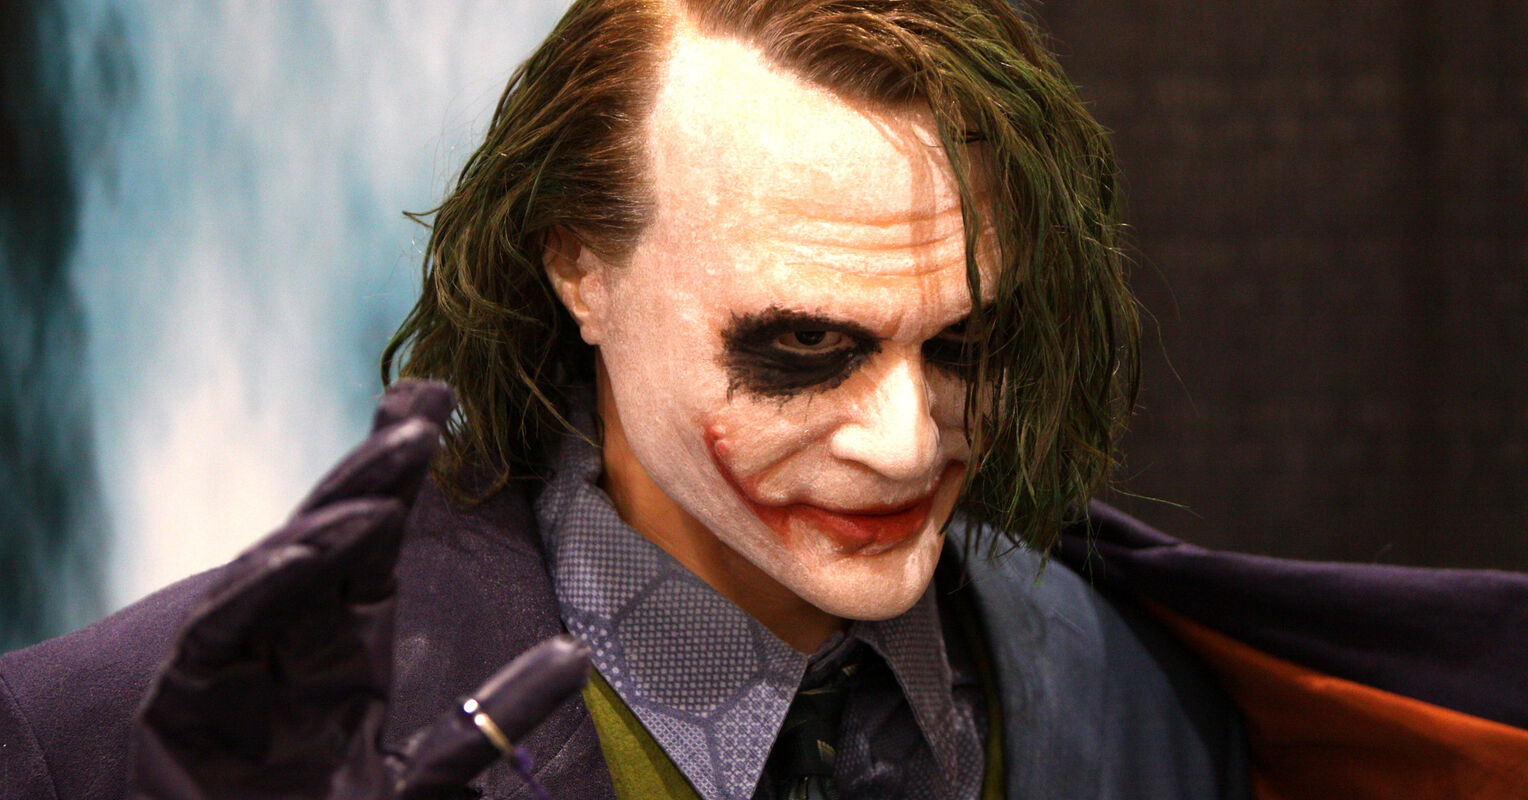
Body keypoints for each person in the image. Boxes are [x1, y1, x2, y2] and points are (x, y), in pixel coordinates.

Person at [4, 1, 1522, 799]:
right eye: (802, 346)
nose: (908, 441)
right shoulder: (104, 742)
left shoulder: (1142, 700)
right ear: (579, 267)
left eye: (968, 344)